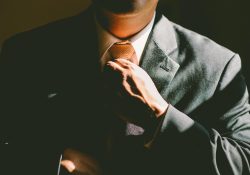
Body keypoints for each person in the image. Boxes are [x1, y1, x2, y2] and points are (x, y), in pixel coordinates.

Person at [1, 0, 250, 174]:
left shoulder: (218, 67)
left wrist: (159, 116)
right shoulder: (25, 54)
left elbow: (242, 164)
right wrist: (48, 164)